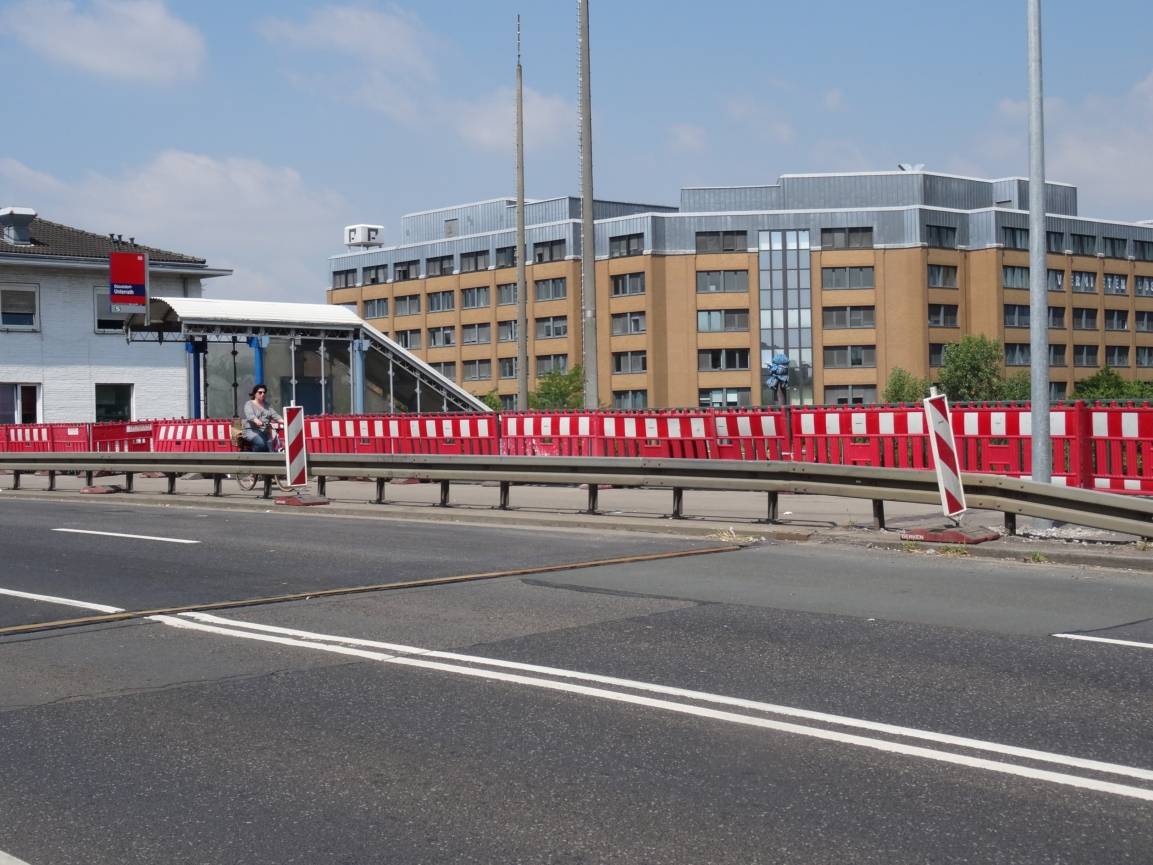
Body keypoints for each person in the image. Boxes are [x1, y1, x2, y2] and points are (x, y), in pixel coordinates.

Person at [241, 383, 284, 452]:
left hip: (264, 431)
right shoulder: (249, 404)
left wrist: (286, 421)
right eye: (260, 392)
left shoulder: (268, 406)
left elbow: (276, 416)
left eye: (264, 392)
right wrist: (256, 421)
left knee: (272, 445)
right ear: (255, 393)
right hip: (251, 430)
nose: (262, 394)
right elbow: (250, 415)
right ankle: (253, 458)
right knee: (261, 443)